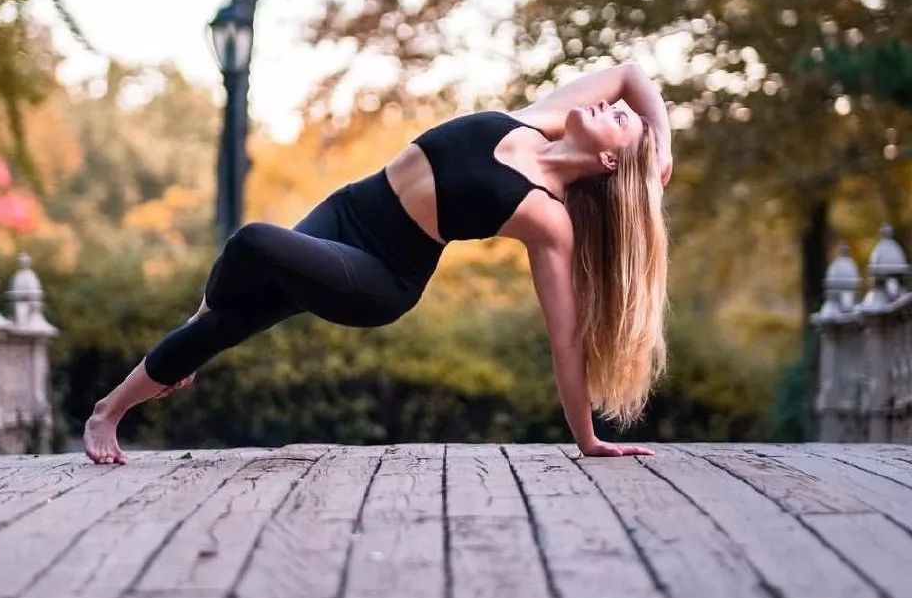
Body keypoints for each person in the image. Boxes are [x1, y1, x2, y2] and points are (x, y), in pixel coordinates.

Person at [84, 61, 673, 464]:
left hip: (379, 276)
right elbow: (628, 75)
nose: (609, 106)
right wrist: (662, 145)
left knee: (252, 242)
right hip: (345, 212)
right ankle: (108, 413)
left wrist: (587, 438)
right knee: (227, 323)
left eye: (621, 121)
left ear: (610, 164)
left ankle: (193, 331)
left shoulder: (549, 219)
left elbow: (565, 339)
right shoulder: (537, 118)